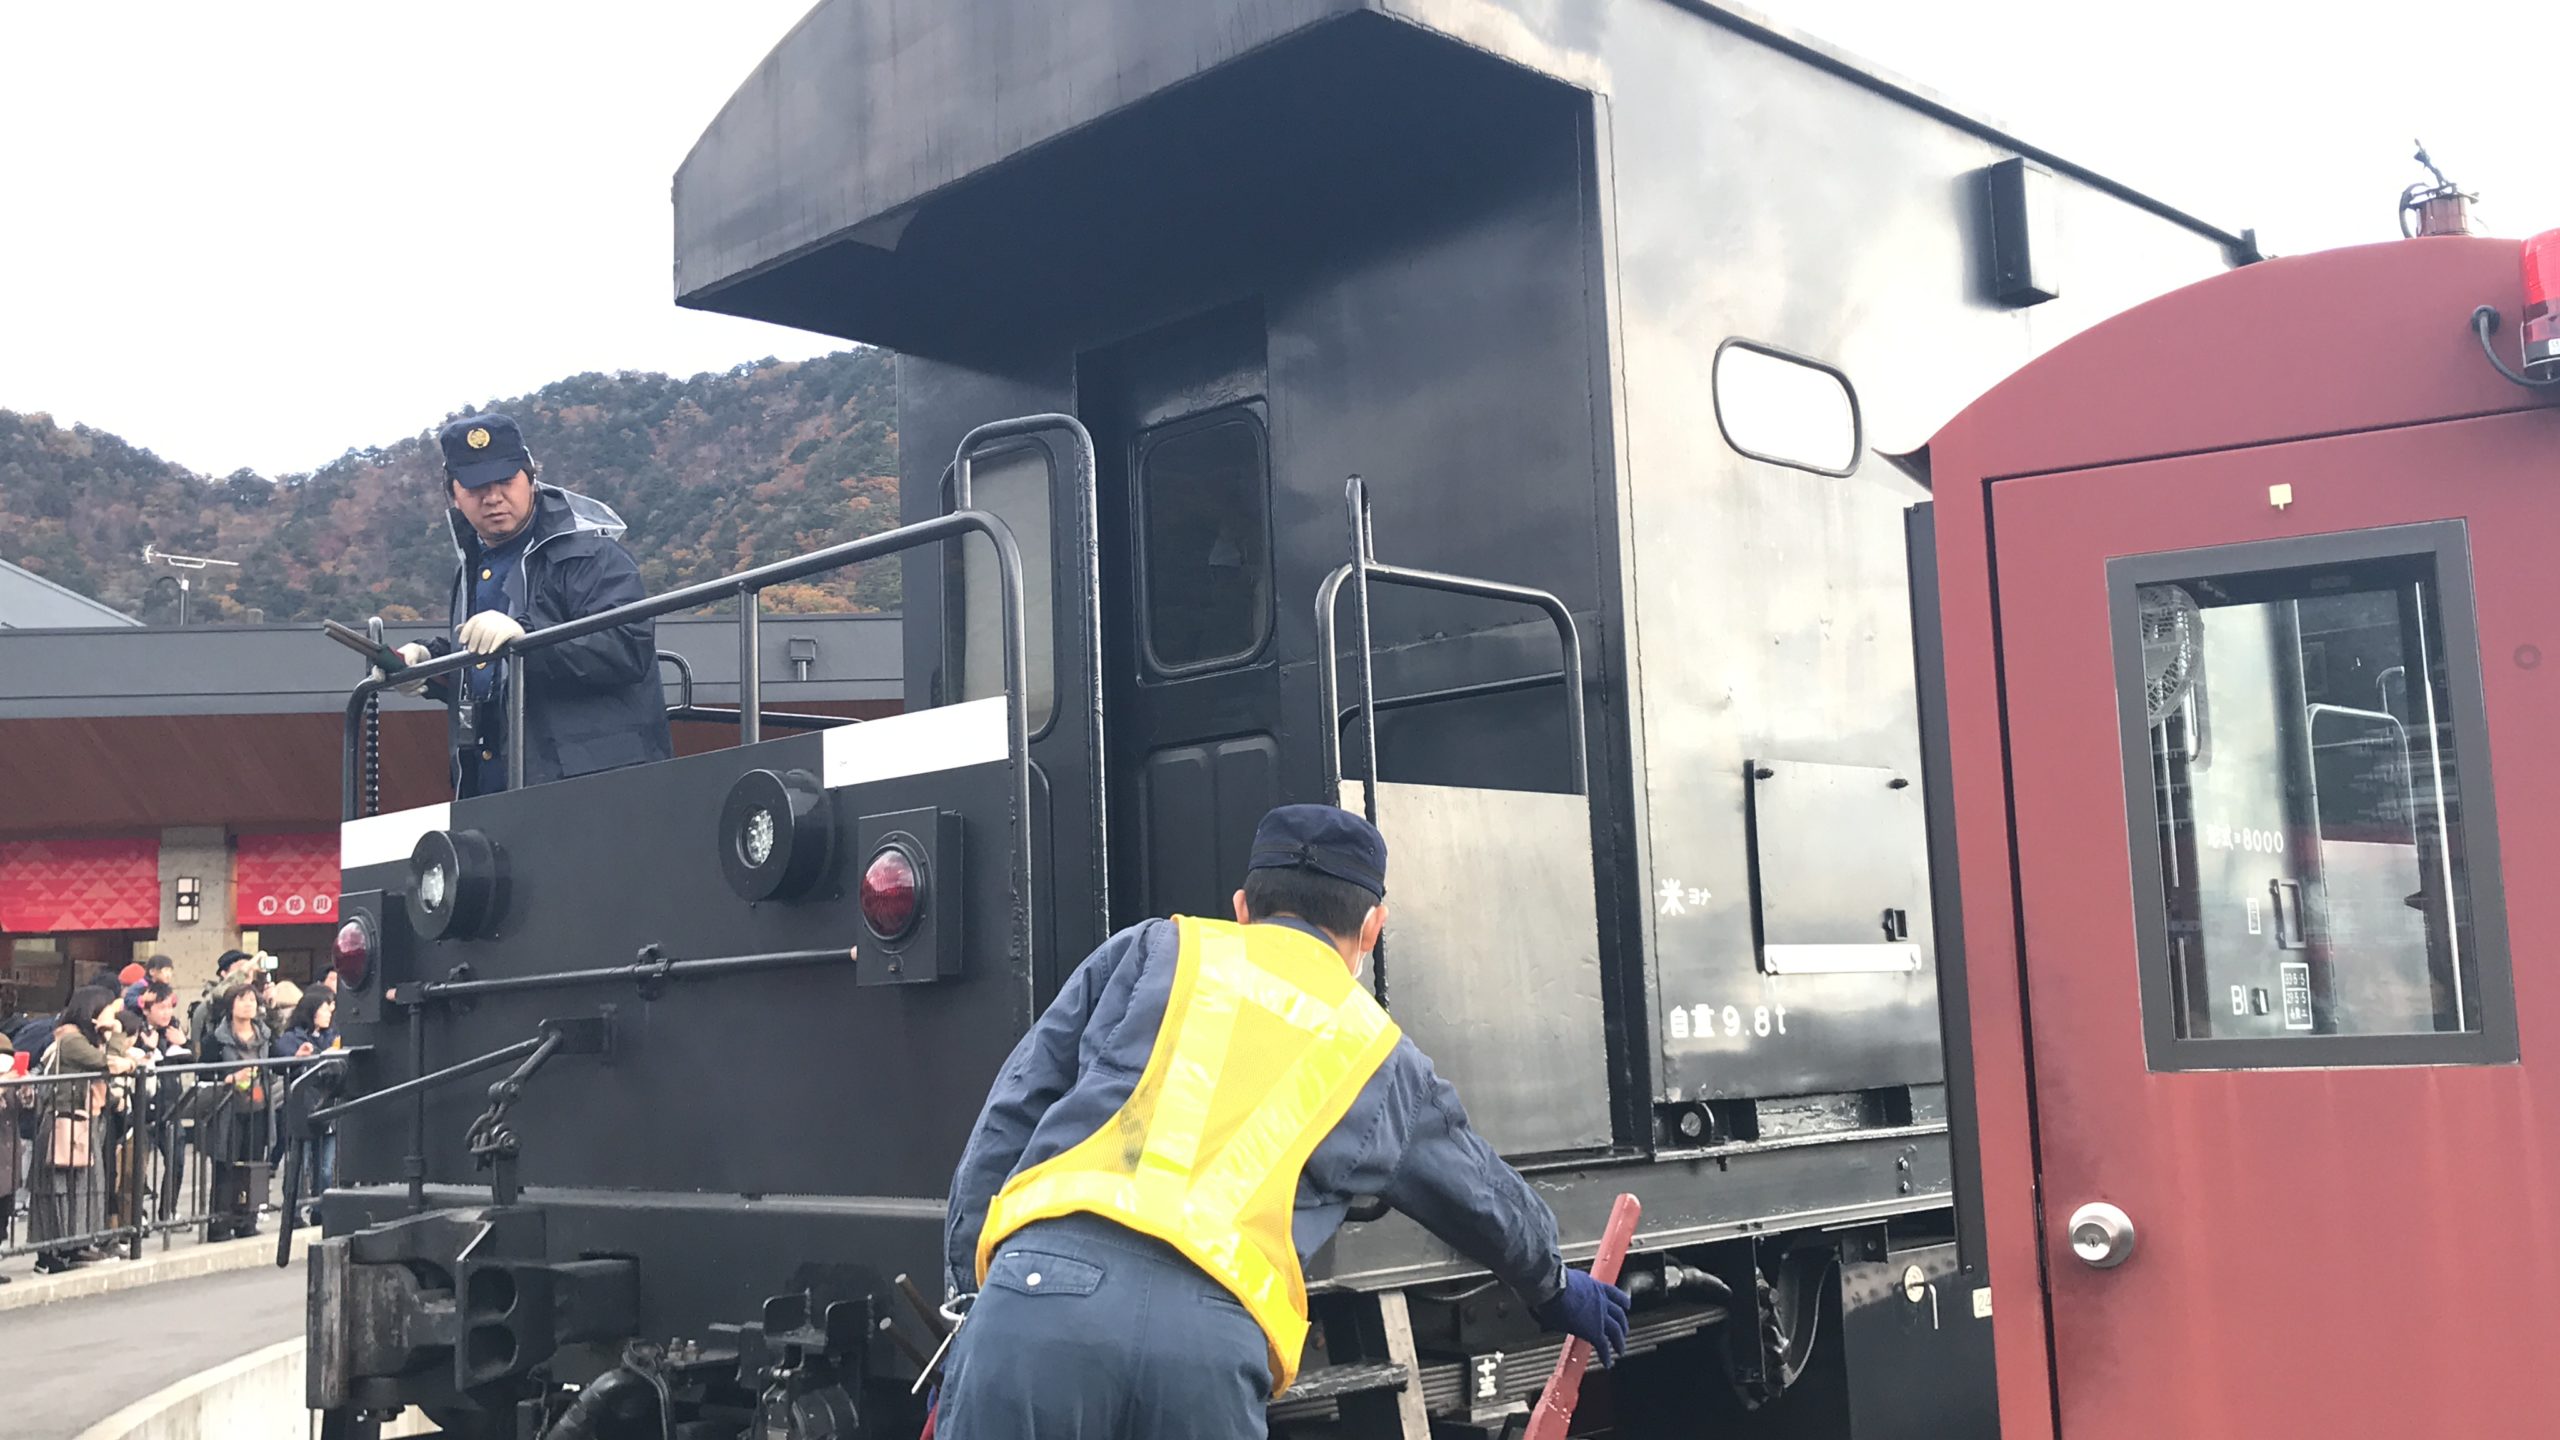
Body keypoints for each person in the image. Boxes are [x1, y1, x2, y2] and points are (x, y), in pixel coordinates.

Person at [936, 805, 1631, 1438]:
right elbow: (1478, 1191)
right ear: (1372, 928)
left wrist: (970, 1297)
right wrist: (1554, 1286)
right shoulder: (1378, 1053)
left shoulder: (1151, 950)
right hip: (1208, 1343)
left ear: (1242, 908)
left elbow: (1013, 1111)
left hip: (1037, 1301)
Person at [380, 412, 671, 799]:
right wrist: (429, 664)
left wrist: (528, 641)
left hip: (594, 792)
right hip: (492, 789)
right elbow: (487, 666)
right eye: (475, 486)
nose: (493, 497)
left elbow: (627, 645)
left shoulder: (589, 552)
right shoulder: (471, 566)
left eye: (505, 480)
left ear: (531, 477)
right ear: (453, 495)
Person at [28, 988, 134, 1274]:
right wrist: (117, 1034)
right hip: (65, 1122)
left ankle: (77, 1245)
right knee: (63, 1187)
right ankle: (57, 1251)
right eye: (109, 1010)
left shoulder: (82, 1039)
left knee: (83, 1187)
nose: (113, 1017)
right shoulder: (71, 1039)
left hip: (82, 1121)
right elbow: (108, 1065)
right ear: (93, 1011)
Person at [198, 983, 275, 1242]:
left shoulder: (264, 1035)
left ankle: (247, 1220)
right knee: (225, 1165)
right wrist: (230, 1077)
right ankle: (220, 1223)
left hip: (258, 1107)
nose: (248, 1005)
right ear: (230, 1005)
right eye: (242, 999)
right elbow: (204, 1073)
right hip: (228, 1109)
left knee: (253, 1164)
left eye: (252, 1000)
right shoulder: (216, 1039)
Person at [275, 990, 342, 1209]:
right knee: (299, 1164)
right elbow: (279, 1063)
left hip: (328, 1105)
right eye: (323, 1008)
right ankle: (292, 1211)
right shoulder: (291, 1038)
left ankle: (321, 1211)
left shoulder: (332, 1036)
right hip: (301, 1106)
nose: (328, 1013)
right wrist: (297, 1057)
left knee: (326, 1168)